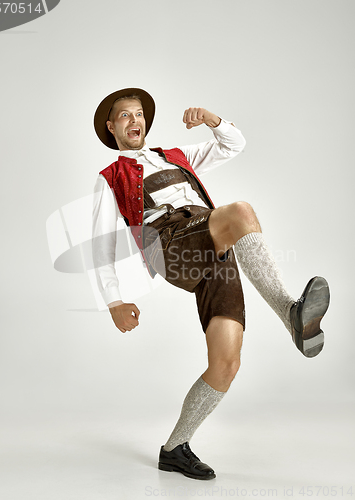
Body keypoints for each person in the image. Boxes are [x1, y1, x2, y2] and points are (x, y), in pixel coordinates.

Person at [92, 88, 330, 480]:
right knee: (239, 213)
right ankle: (291, 314)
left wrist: (211, 118)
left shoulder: (177, 157)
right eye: (125, 116)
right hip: (170, 243)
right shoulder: (111, 177)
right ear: (111, 126)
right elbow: (100, 243)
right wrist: (113, 300)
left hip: (211, 244)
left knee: (226, 364)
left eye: (139, 114)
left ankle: (174, 449)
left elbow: (234, 143)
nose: (134, 121)